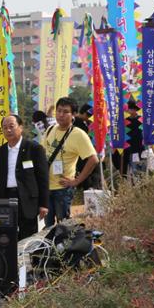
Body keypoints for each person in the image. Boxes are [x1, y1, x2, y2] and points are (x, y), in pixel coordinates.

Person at [40, 97, 99, 228]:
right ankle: (50, 248)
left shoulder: (78, 134)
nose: (61, 115)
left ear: (73, 115)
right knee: (48, 226)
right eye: (59, 111)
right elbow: (42, 153)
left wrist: (76, 181)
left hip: (63, 189)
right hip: (46, 187)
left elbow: (93, 159)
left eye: (65, 112)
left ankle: (64, 248)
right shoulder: (50, 129)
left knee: (64, 225)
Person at [0, 114, 49, 238]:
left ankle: (26, 258)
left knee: (28, 237)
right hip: (5, 197)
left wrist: (44, 204)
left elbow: (43, 178)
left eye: (11, 126)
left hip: (27, 199)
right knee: (6, 236)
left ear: (20, 127)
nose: (8, 130)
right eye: (5, 128)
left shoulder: (34, 149)